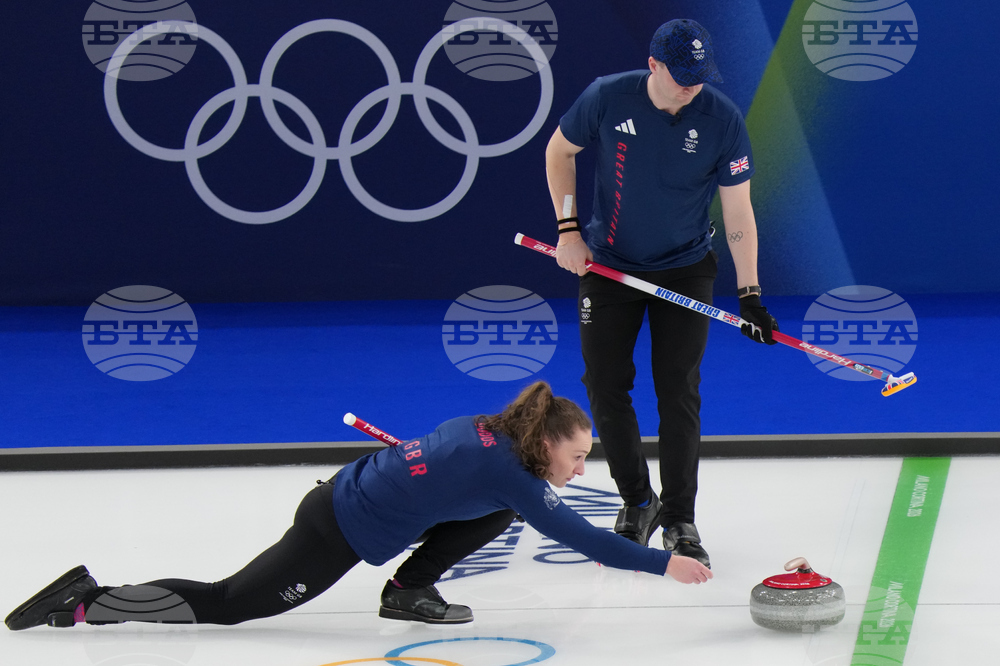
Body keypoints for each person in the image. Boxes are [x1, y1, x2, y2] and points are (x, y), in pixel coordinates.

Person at [5, 381, 712, 632]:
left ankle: (408, 590)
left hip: (343, 493)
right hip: (335, 530)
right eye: (577, 457)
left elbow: (451, 477)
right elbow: (591, 543)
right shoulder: (517, 478)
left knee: (497, 513)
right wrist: (661, 565)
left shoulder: (491, 434)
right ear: (546, 444)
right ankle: (88, 603)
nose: (578, 468)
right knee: (229, 603)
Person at [544, 19, 779, 568]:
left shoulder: (720, 118)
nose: (692, 86)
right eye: (682, 76)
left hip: (685, 267)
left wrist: (749, 295)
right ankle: (637, 501)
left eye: (700, 76)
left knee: (677, 390)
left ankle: (679, 517)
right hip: (609, 265)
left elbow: (739, 211)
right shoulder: (607, 97)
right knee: (604, 383)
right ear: (653, 65)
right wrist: (568, 230)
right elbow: (559, 153)